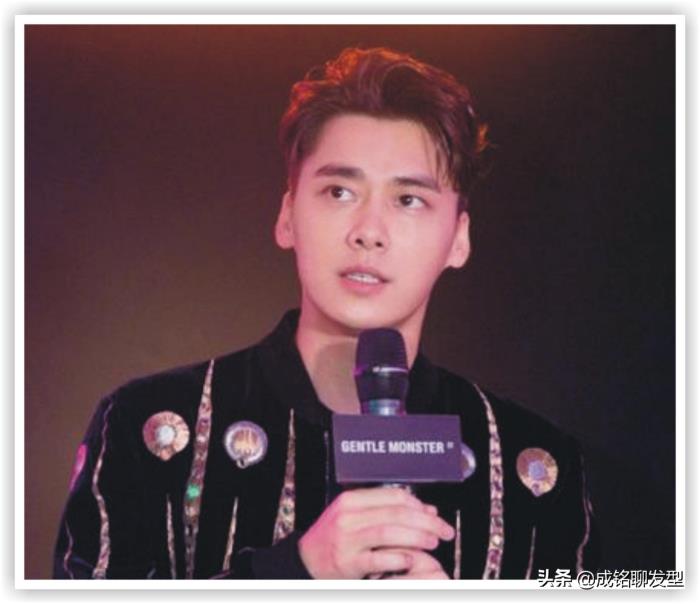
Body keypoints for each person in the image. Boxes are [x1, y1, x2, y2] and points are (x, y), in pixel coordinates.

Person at [53, 46, 599, 580]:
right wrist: (294, 571)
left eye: (409, 200)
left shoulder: (536, 465)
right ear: (288, 215)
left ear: (459, 238)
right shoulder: (150, 426)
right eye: (339, 191)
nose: (369, 231)